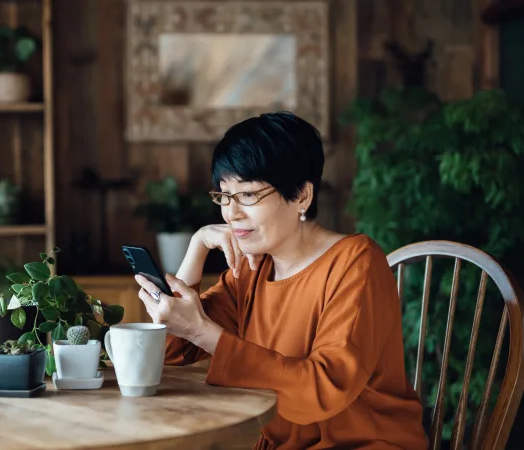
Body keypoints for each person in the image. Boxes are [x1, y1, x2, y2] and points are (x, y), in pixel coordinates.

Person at [133, 111, 428, 449]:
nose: (232, 213)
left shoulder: (356, 263)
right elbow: (172, 349)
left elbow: (322, 389)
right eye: (224, 196)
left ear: (302, 195)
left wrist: (202, 330)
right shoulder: (253, 269)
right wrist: (197, 246)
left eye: (248, 195)